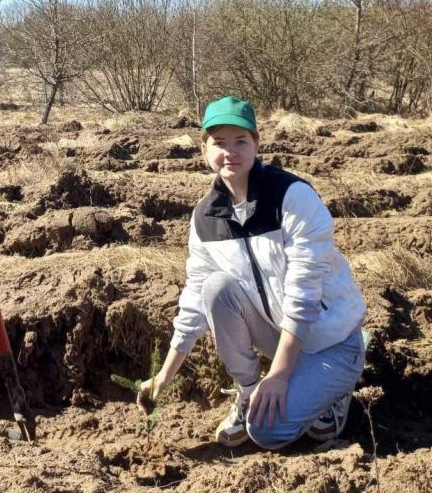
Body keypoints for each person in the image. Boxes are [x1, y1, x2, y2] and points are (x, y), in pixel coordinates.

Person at [138, 96, 366, 449]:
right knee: (215, 287)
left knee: (267, 433)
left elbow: (304, 293)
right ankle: (247, 392)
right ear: (204, 149)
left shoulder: (292, 196)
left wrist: (278, 375)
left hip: (330, 340)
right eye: (219, 143)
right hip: (279, 337)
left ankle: (334, 396)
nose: (231, 152)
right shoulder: (205, 219)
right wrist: (163, 377)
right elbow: (196, 298)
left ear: (256, 143)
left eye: (240, 141)